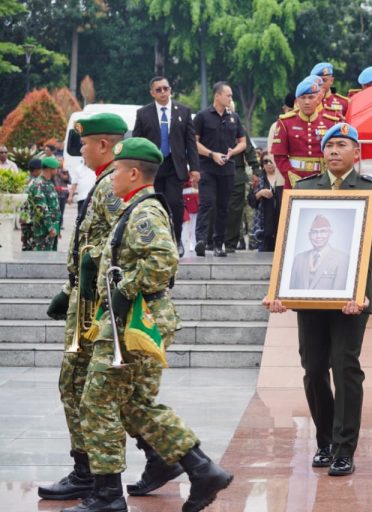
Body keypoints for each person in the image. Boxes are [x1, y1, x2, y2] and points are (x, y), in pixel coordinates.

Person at [67, 137, 232, 512]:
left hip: (135, 320)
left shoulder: (144, 211)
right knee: (133, 404)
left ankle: (108, 495)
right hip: (130, 318)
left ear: (134, 172)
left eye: (118, 172)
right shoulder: (133, 207)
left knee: (97, 400)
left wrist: (124, 289)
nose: (112, 179)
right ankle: (200, 468)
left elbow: (163, 260)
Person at [40, 113, 178, 503]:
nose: (79, 150)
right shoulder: (106, 183)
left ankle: (98, 476)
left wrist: (92, 287)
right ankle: (142, 461)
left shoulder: (111, 187)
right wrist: (72, 287)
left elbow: (125, 247)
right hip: (89, 297)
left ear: (104, 145)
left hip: (101, 305)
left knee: (88, 390)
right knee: (89, 390)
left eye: (84, 143)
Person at [263, 122, 372, 477]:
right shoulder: (304, 190)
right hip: (311, 296)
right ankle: (326, 440)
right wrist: (280, 290)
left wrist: (356, 291)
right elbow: (289, 242)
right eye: (329, 145)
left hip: (352, 299)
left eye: (342, 145)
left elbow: (371, 246)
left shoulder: (371, 191)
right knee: (314, 368)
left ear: (357, 153)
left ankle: (345, 448)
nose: (334, 151)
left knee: (345, 366)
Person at [133, 76, 200, 257]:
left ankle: (176, 240)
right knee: (152, 204)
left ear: (170, 90)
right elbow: (136, 142)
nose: (163, 92)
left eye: (165, 88)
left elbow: (190, 143)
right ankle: (153, 242)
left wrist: (194, 167)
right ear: (152, 93)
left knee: (174, 204)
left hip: (174, 165)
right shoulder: (143, 113)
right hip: (152, 167)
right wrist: (136, 167)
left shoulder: (184, 112)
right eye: (158, 90)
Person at [193, 81, 247, 257]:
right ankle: (200, 240)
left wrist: (233, 152)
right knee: (207, 203)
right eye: (228, 95)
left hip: (227, 168)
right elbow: (194, 142)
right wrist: (211, 154)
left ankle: (218, 244)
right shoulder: (202, 116)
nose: (230, 98)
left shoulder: (234, 117)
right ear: (217, 96)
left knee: (224, 206)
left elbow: (243, 143)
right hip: (207, 167)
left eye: (231, 95)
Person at [272, 76, 341, 189]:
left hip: (324, 179)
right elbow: (279, 156)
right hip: (294, 180)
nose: (307, 102)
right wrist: (294, 179)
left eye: (311, 97)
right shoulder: (285, 123)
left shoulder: (331, 123)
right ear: (297, 101)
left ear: (318, 99)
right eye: (303, 98)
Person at [225, 119, 259, 253]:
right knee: (213, 206)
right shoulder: (207, 122)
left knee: (235, 210)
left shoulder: (239, 127)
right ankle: (209, 240)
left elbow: (249, 149)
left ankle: (230, 243)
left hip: (236, 170)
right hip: (214, 170)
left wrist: (255, 168)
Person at [290, 214, 350, 290]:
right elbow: (289, 290)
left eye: (323, 231)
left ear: (330, 233)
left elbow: (340, 294)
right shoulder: (299, 259)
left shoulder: (342, 259)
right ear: (309, 235)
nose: (318, 236)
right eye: (314, 232)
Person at [20, 156, 60, 251]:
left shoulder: (48, 183)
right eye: (56, 168)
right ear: (51, 169)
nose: (58, 170)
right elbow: (42, 209)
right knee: (41, 259)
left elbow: (53, 207)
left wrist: (56, 227)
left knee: (50, 256)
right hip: (42, 230)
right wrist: (50, 228)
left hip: (51, 229)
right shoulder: (39, 184)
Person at [248, 153, 280, 251]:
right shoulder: (258, 180)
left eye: (271, 161)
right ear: (262, 164)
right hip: (264, 226)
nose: (269, 164)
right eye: (266, 161)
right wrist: (260, 193)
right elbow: (251, 201)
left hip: (280, 224)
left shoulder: (283, 178)